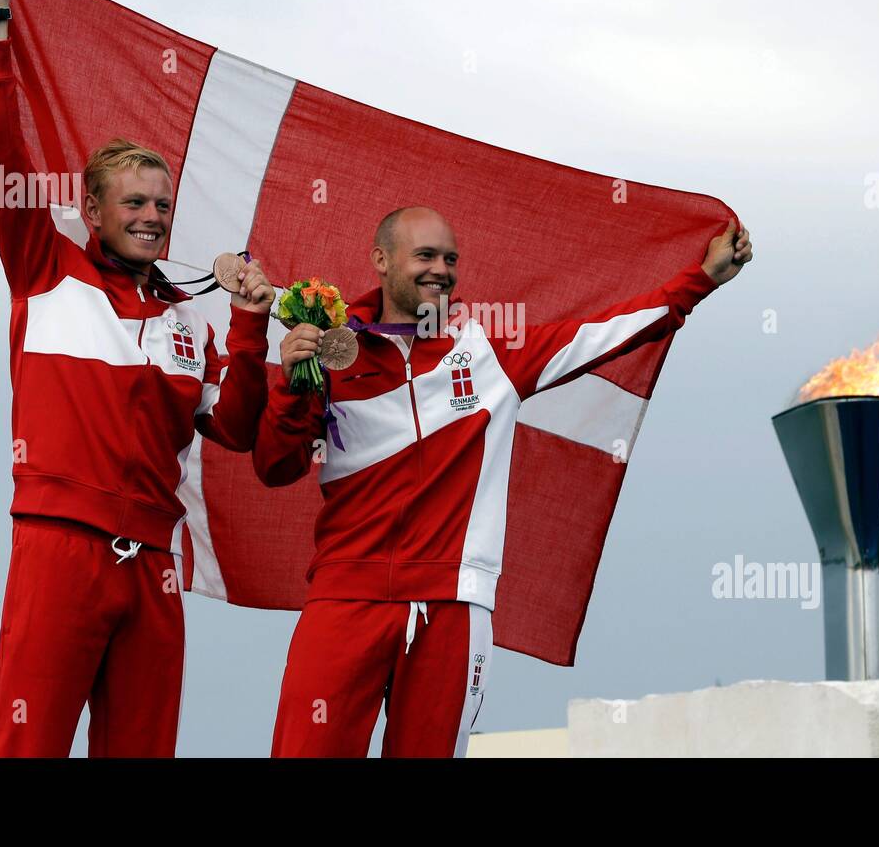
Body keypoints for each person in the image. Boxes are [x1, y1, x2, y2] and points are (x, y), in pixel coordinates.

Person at [256, 203, 752, 756]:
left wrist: (699, 282)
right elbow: (275, 467)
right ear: (381, 259)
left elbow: (600, 334)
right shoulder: (330, 353)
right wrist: (290, 386)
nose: (440, 270)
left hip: (454, 606)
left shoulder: (489, 353)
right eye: (425, 255)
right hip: (346, 597)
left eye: (450, 258)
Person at [0, 0, 276, 757]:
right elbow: (2, 157)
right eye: (133, 202)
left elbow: (240, 431)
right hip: (58, 544)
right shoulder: (43, 268)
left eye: (163, 206)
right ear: (91, 209)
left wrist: (248, 324)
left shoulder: (188, 323)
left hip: (153, 569)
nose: (151, 217)